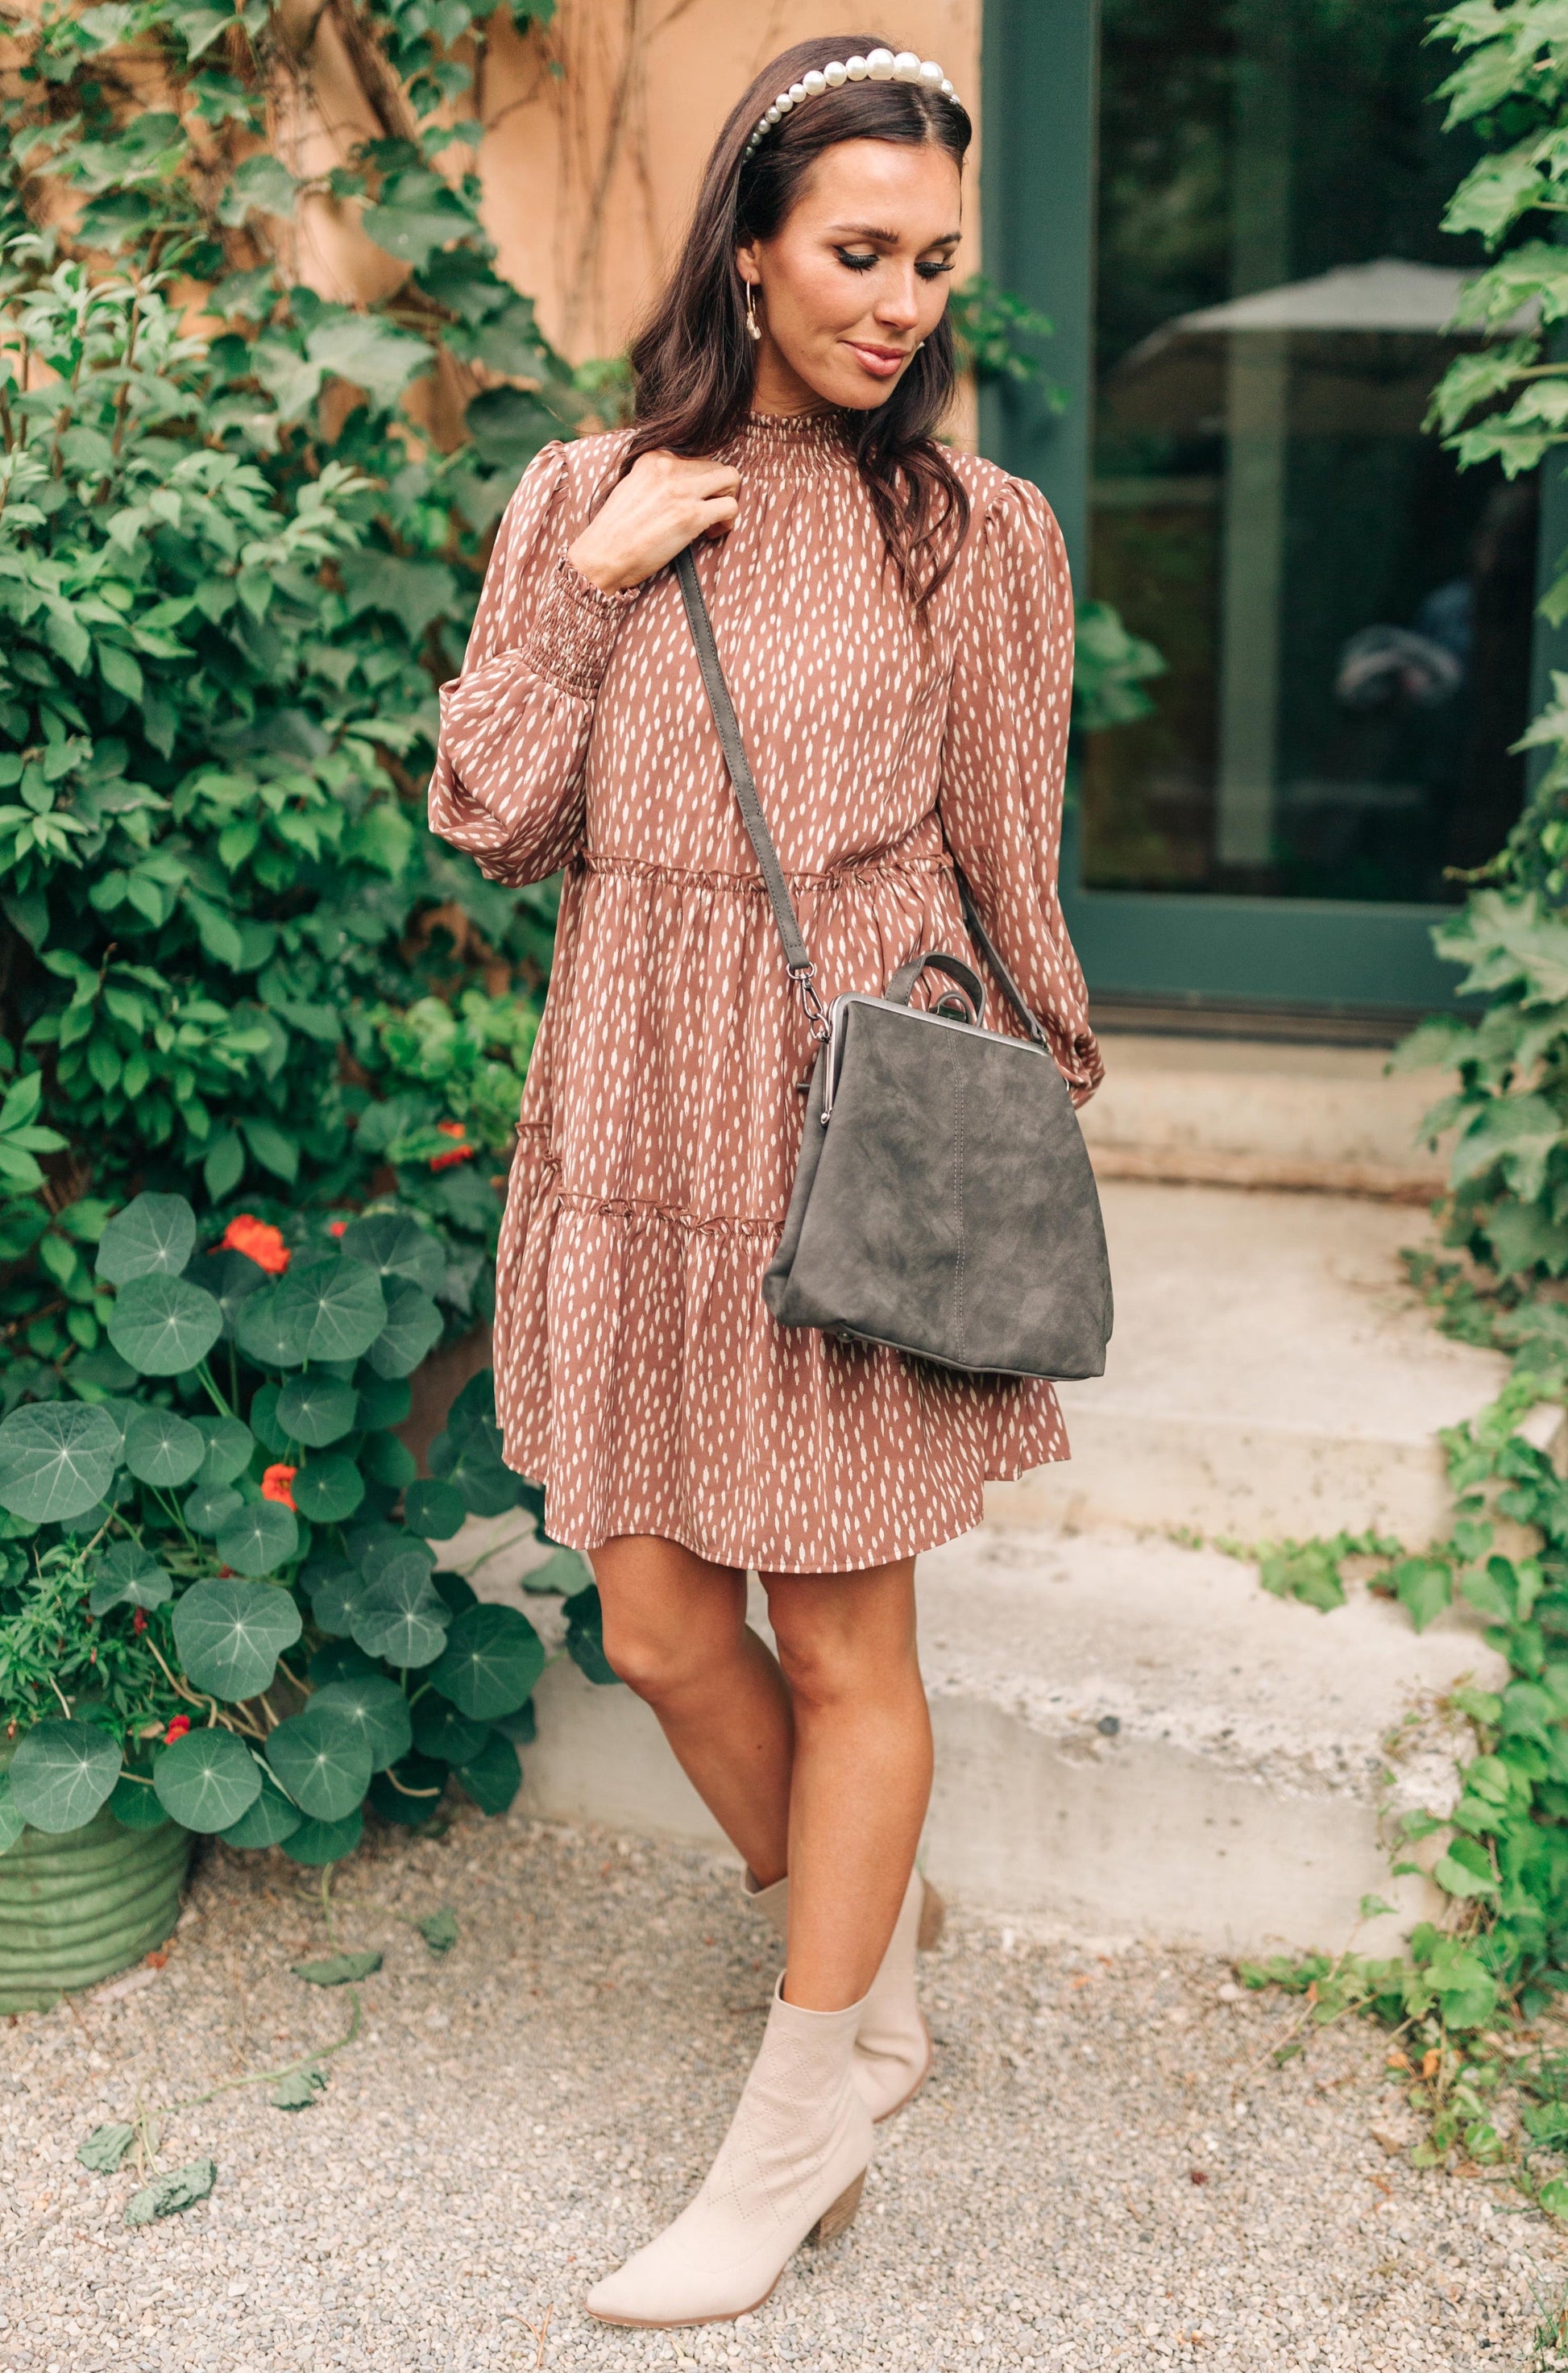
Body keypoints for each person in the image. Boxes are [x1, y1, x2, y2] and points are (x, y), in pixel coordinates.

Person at [427, 32, 1101, 2330]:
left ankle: (800, 2115)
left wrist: (1027, 1119)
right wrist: (587, 582)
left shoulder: (971, 534)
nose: (902, 304)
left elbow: (1006, 854)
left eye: (934, 264)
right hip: (634, 1110)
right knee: (651, 1625)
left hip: (841, 1126)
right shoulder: (583, 492)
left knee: (842, 1636)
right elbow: (494, 813)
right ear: (747, 245)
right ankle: (862, 1962)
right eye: (858, 253)